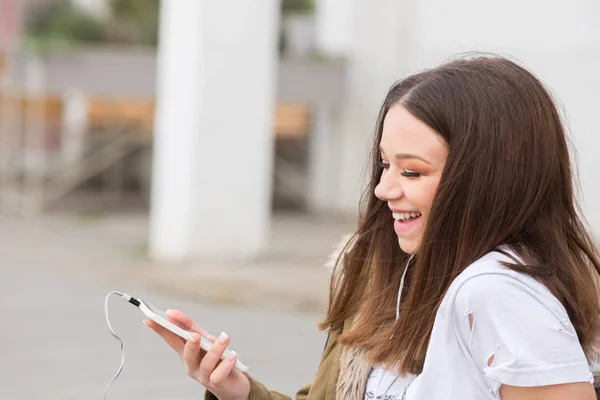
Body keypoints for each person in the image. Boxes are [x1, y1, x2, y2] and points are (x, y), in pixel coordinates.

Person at [145, 55, 600, 400]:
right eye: (385, 164)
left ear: (489, 179)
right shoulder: (374, 271)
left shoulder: (499, 292)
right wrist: (238, 390)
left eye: (412, 171)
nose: (383, 190)